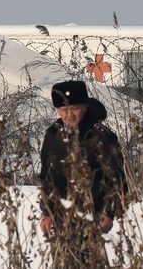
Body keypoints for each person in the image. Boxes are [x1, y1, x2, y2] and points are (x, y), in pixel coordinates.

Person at [39, 80, 127, 267]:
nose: (69, 115)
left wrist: (109, 212)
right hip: (61, 218)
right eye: (64, 110)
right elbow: (47, 176)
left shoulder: (102, 137)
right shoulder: (53, 136)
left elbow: (116, 179)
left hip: (92, 217)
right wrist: (46, 212)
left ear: (85, 107)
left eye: (75, 109)